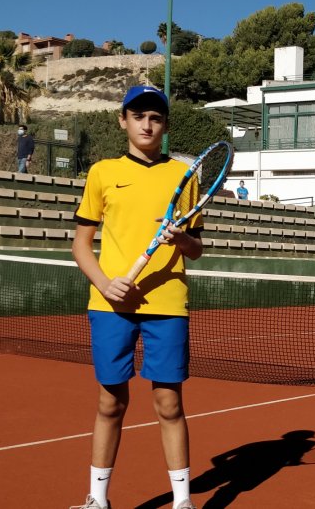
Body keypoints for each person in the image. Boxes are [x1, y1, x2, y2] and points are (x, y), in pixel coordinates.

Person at [70, 85, 205, 509]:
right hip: (111, 305)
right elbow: (79, 244)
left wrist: (182, 238)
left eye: (156, 117)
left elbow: (197, 248)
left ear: (164, 125)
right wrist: (104, 282)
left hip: (167, 304)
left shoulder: (184, 177)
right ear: (123, 120)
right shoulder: (102, 173)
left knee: (169, 402)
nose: (148, 124)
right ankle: (97, 499)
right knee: (110, 401)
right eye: (139, 115)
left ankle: (182, 503)